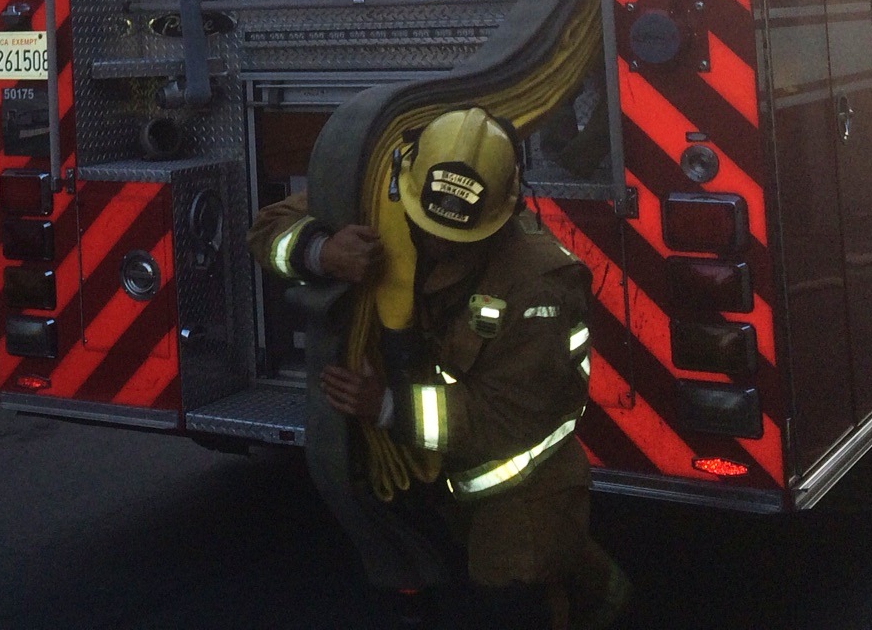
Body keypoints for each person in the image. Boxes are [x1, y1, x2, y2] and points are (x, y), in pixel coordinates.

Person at [249, 107, 631, 629]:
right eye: (427, 228)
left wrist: (386, 406)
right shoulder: (383, 201)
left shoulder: (537, 287)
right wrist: (321, 250)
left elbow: (504, 417)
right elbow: (266, 230)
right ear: (408, 185)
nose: (438, 244)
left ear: (504, 210)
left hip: (520, 486)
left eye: (458, 236)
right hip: (442, 476)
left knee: (515, 594)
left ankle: (601, 597)